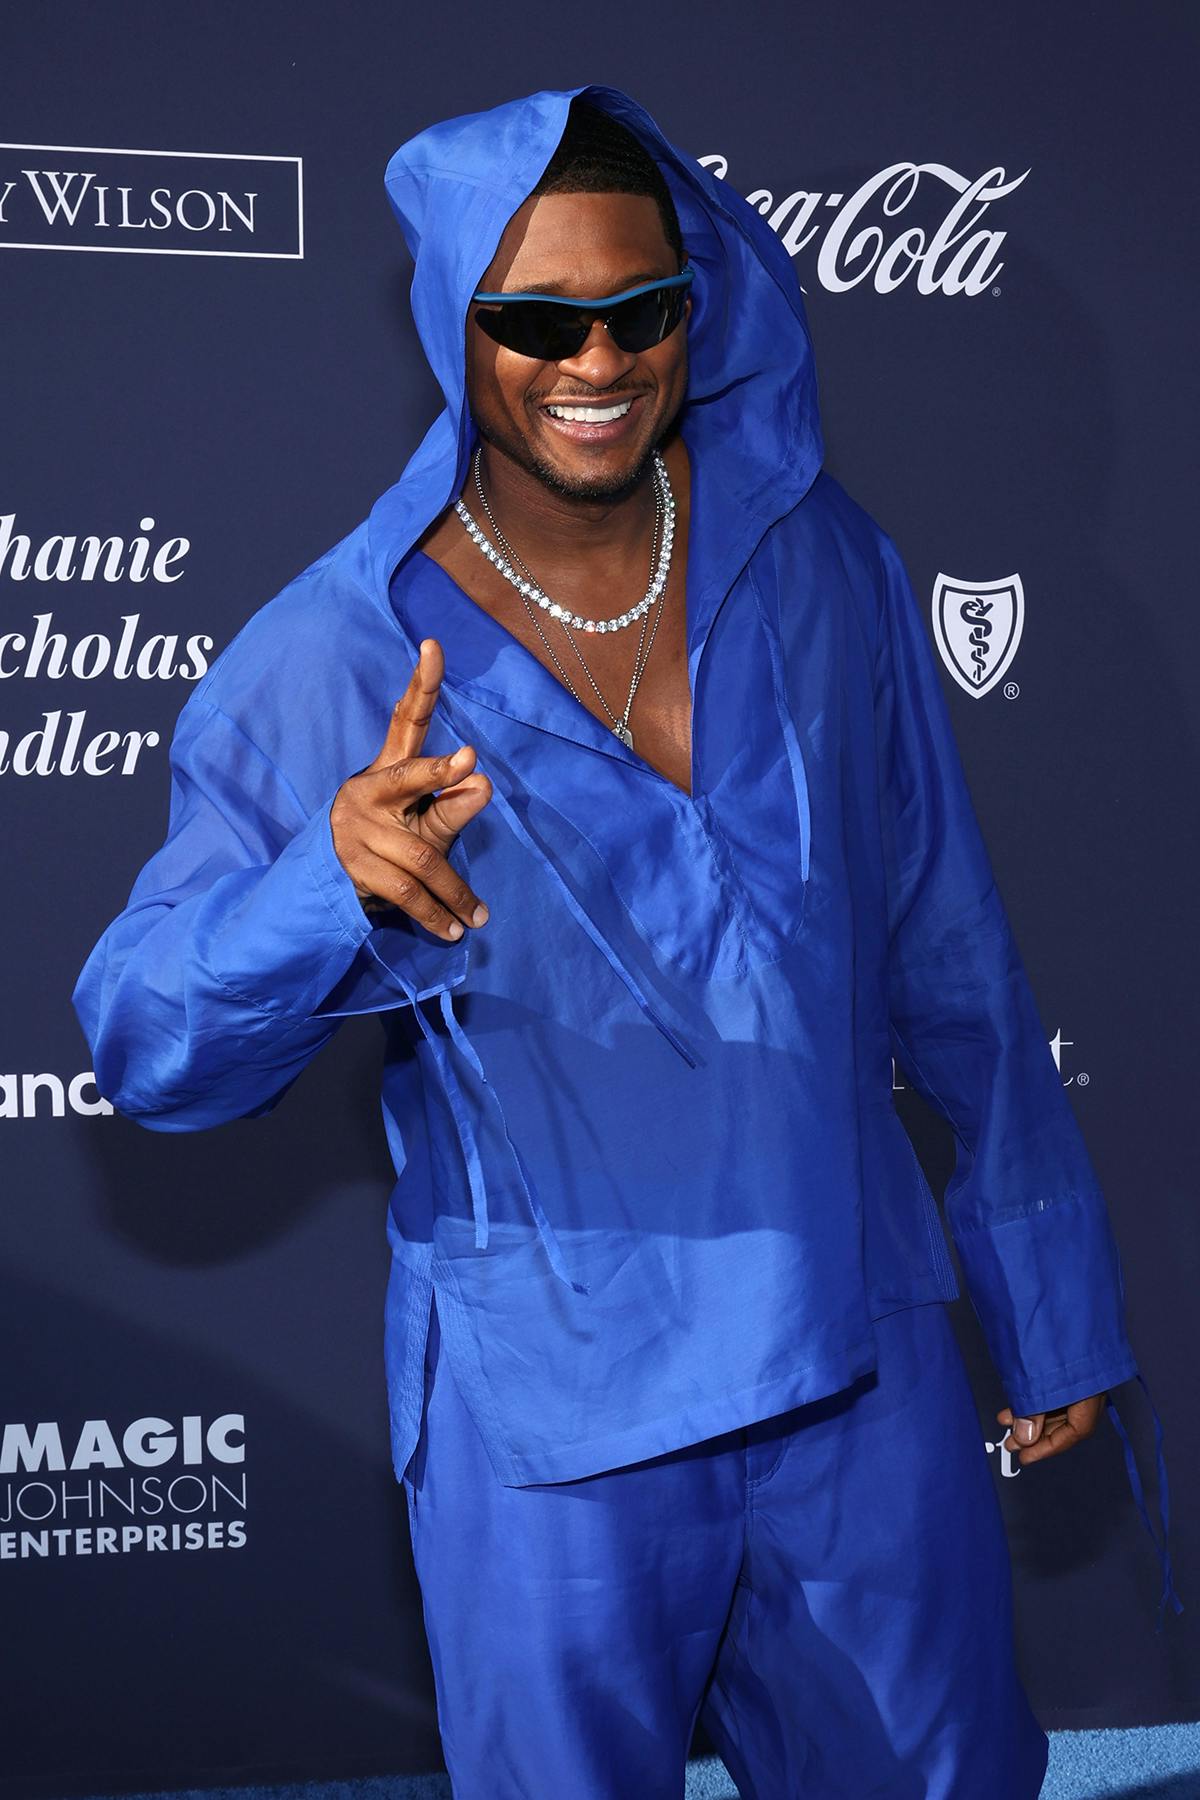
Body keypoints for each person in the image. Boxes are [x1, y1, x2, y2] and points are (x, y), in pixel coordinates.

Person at [73, 85, 1181, 1798]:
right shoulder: (335, 651)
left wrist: (1046, 1305)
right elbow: (145, 1047)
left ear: (696, 307)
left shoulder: (825, 565)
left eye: (640, 309)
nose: (596, 361)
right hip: (557, 1440)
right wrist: (320, 882)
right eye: (536, 320)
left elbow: (954, 948)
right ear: (460, 325)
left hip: (862, 1367)